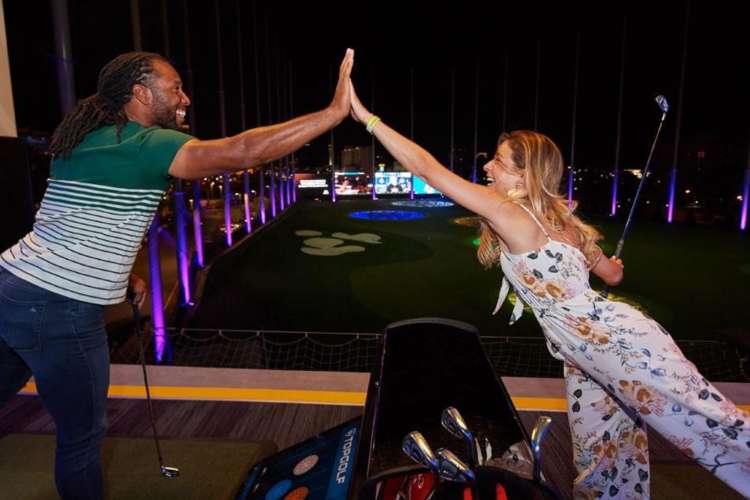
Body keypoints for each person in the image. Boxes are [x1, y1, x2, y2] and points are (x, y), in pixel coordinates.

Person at [347, 80, 750, 498]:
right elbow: (613, 277)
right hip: (583, 353)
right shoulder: (564, 225)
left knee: (705, 421)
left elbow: (428, 169)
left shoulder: (511, 213)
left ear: (525, 174)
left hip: (618, 343)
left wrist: (368, 118)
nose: (487, 167)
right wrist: (605, 264)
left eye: (499, 162)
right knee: (605, 457)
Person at [0, 48, 354, 499]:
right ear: (141, 93)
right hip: (59, 307)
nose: (184, 98)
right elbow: (242, 150)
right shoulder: (146, 143)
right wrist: (331, 113)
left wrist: (125, 275)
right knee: (83, 435)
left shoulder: (89, 139)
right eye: (175, 88)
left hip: (11, 285)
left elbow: (80, 220)